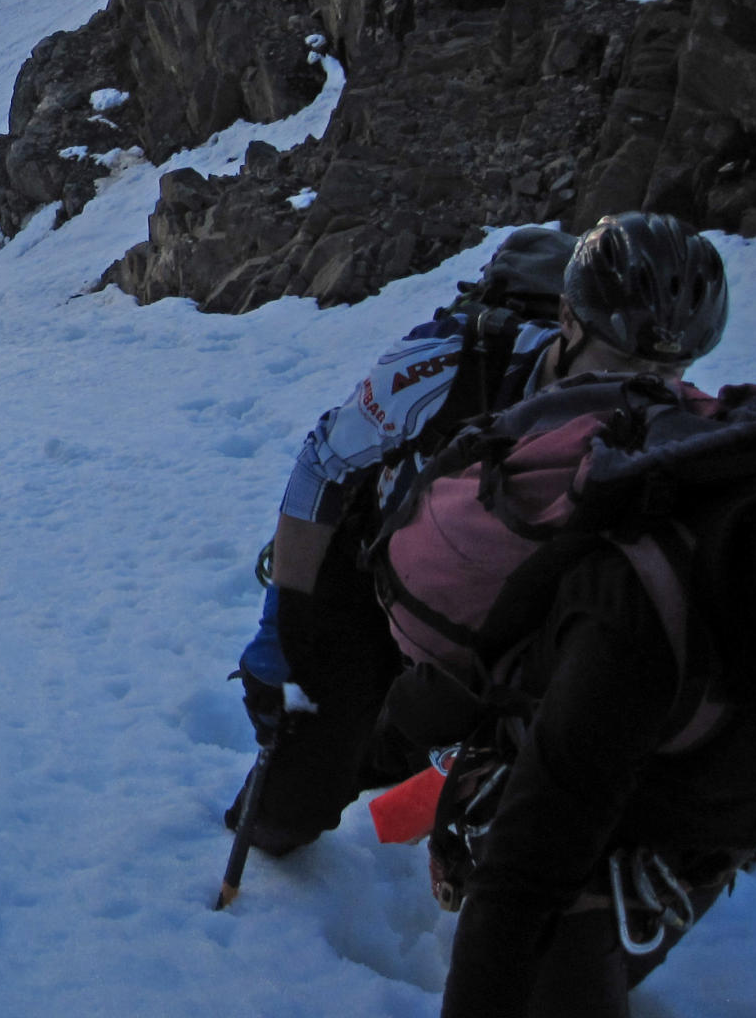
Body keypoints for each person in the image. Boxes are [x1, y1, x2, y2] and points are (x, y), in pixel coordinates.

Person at [385, 214, 756, 1017]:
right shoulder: (637, 614)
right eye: (632, 357)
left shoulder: (749, 491)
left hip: (670, 752)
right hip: (572, 718)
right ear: (566, 321)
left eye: (670, 365)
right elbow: (520, 886)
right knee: (551, 940)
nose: (653, 379)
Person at [230, 227, 574, 852]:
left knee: (434, 750)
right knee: (288, 811)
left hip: (490, 611)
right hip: (375, 575)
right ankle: (359, 782)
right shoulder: (449, 359)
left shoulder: (630, 410)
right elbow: (324, 462)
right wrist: (285, 619)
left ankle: (408, 796)